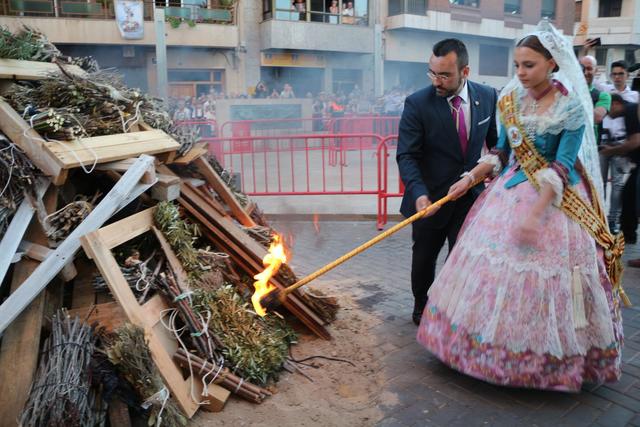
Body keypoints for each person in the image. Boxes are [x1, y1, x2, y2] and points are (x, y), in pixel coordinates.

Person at [417, 21, 625, 392]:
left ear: (552, 63)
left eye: (529, 65)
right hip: (507, 193)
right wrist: (469, 178)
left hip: (555, 201)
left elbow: (562, 166)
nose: (521, 73)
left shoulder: (571, 107)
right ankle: (479, 351)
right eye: (517, 65)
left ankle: (542, 361)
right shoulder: (511, 100)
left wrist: (535, 212)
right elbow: (501, 153)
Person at [396, 38, 498, 326]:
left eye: (444, 75)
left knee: (462, 258)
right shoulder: (417, 103)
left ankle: (454, 311)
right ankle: (421, 305)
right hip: (431, 200)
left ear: (465, 72)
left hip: (469, 197)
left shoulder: (487, 96)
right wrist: (419, 194)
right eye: (432, 73)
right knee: (424, 259)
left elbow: (494, 145)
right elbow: (407, 155)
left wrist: (488, 174)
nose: (436, 81)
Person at [599, 61, 639, 233]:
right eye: (614, 74)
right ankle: (599, 218)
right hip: (603, 144)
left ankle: (612, 221)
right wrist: (585, 51)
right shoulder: (606, 91)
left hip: (623, 145)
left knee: (618, 186)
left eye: (620, 74)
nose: (617, 77)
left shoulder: (635, 96)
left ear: (626, 75)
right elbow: (587, 77)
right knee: (599, 183)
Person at [600, 95, 640, 267]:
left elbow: (635, 141)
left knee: (632, 198)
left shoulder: (630, 111)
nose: (608, 113)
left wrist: (611, 151)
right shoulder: (629, 112)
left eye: (609, 108)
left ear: (616, 104)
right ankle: (628, 235)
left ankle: (628, 234)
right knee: (628, 196)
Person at [579, 55, 611, 144]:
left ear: (595, 70)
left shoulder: (603, 96)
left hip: (589, 148)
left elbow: (596, 117)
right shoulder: (568, 91)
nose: (585, 73)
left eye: (589, 69)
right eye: (582, 68)